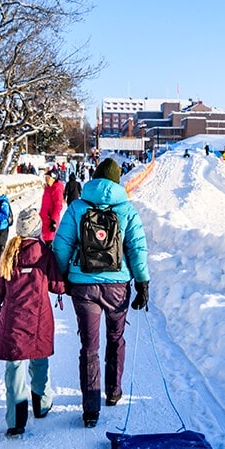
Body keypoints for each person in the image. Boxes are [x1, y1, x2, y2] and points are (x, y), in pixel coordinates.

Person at [53, 159, 150, 428]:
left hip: (83, 285)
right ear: (118, 181)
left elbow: (62, 246)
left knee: (89, 346)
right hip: (117, 286)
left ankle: (90, 409)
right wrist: (142, 282)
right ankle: (114, 391)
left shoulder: (77, 207)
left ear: (94, 178)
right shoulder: (127, 210)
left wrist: (63, 278)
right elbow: (137, 249)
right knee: (116, 338)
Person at [0, 208, 65, 437]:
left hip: (13, 321)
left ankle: (15, 421)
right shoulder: (44, 254)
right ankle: (41, 405)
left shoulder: (8, 254)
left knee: (14, 369)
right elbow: (58, 286)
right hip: (39, 319)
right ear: (37, 229)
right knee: (39, 361)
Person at [40, 168, 65, 244]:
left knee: (49, 241)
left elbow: (58, 205)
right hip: (44, 219)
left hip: (50, 220)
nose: (46, 180)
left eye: (48, 178)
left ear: (53, 178)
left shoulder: (56, 188)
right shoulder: (48, 188)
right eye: (45, 178)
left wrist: (53, 220)